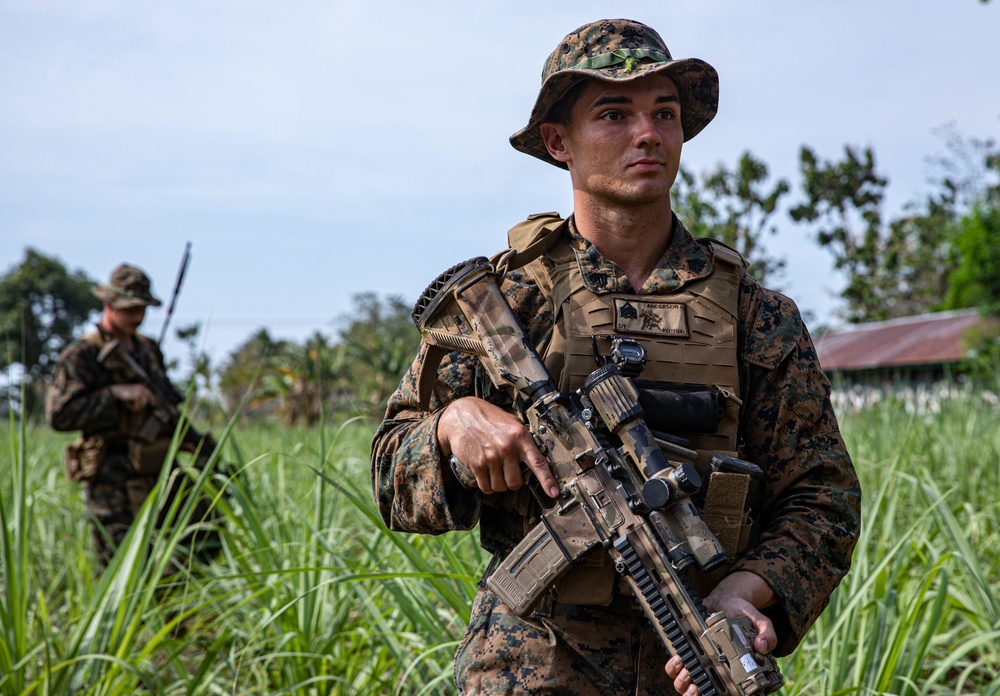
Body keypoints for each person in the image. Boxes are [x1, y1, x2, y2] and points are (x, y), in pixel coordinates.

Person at [371, 18, 861, 695]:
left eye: (665, 113)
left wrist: (745, 592)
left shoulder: (756, 315)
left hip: (694, 655)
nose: (648, 134)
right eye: (614, 113)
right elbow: (390, 474)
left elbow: (822, 500)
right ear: (558, 142)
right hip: (531, 666)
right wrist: (453, 426)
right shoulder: (505, 304)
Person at [47, 263, 219, 571]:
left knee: (205, 533)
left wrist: (189, 441)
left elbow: (166, 405)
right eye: (130, 309)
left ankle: (170, 595)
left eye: (142, 309)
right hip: (112, 478)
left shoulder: (147, 350)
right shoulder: (82, 355)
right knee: (123, 568)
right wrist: (115, 393)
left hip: (158, 468)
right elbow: (59, 415)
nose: (138, 317)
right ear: (108, 304)